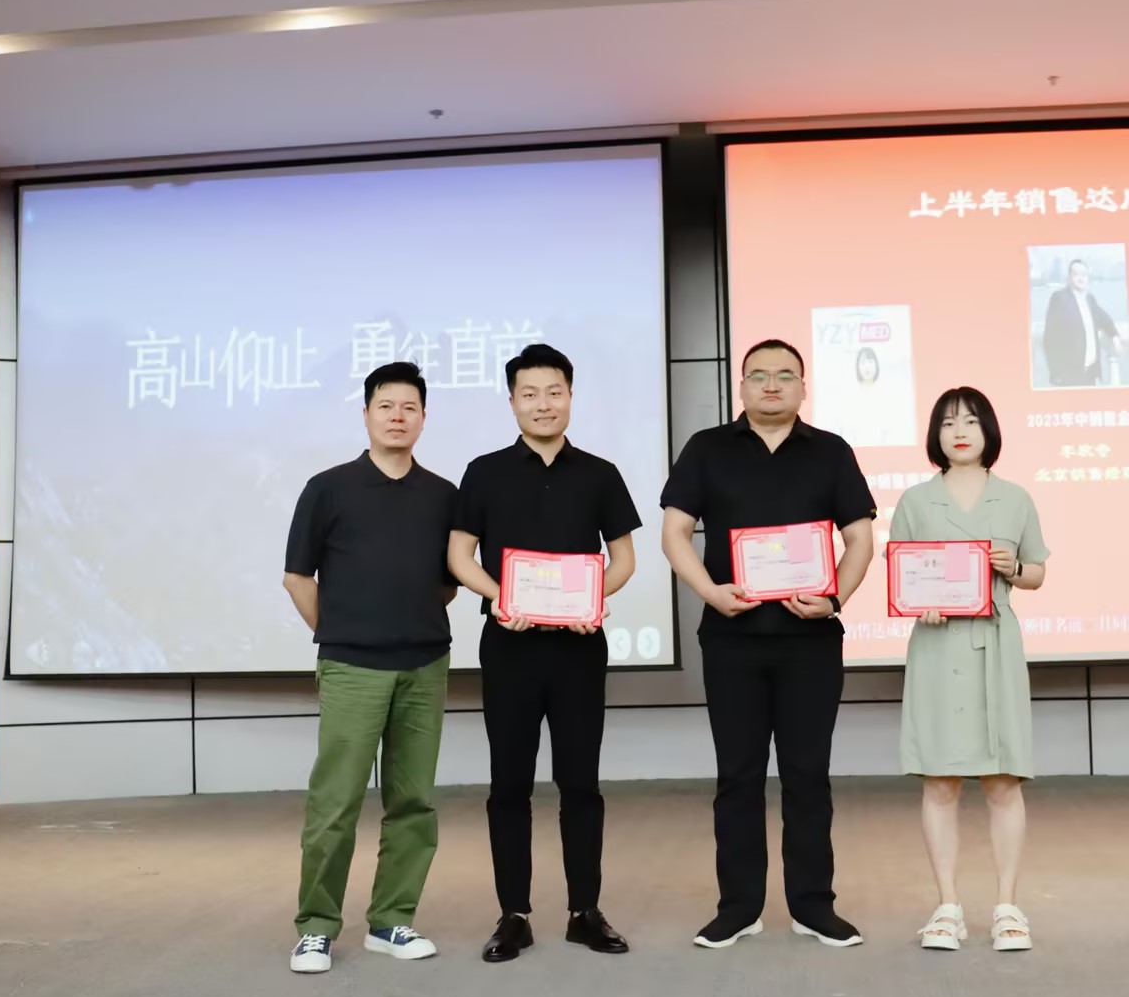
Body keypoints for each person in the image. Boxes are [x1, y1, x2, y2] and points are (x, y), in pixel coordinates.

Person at [660, 338, 877, 950]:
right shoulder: (707, 448)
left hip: (811, 641)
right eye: (759, 375)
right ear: (742, 386)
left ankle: (813, 905)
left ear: (803, 386)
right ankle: (739, 907)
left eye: (785, 375)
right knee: (738, 776)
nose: (772, 385)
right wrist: (710, 591)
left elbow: (861, 539)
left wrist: (835, 598)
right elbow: (674, 532)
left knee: (808, 775)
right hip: (732, 637)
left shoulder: (830, 451)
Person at [447, 342, 640, 963]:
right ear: (512, 402)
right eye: (529, 394)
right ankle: (514, 914)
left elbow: (624, 559)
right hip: (509, 644)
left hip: (579, 648)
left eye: (554, 392)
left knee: (581, 782)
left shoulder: (600, 473)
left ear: (570, 397)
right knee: (509, 784)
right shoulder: (484, 472)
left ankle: (586, 911)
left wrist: (593, 600)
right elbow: (459, 556)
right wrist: (499, 596)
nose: (543, 404)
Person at [282, 361, 458, 974]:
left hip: (425, 665)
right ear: (366, 414)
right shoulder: (328, 488)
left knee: (414, 802)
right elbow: (297, 578)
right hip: (352, 667)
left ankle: (391, 920)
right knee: (336, 803)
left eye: (409, 407)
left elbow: (448, 583)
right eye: (386, 406)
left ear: (424, 418)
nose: (397, 417)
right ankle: (316, 927)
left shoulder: (444, 495)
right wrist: (340, 631)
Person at [890, 386, 1049, 953]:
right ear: (935, 434)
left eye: (972, 421)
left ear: (989, 432)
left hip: (995, 645)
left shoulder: (1015, 498)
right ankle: (947, 907)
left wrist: (1015, 567)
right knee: (940, 780)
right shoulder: (915, 500)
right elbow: (902, 577)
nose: (960, 432)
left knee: (1003, 780)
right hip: (937, 647)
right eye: (949, 422)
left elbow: (1036, 574)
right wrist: (921, 601)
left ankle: (1008, 907)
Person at [1040, 259, 1121, 387]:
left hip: (1090, 373)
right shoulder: (1059, 299)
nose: (1080, 278)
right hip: (1069, 375)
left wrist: (1114, 336)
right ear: (1069, 277)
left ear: (1087, 278)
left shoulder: (1089, 299)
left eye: (1084, 274)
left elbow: (1104, 318)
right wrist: (1056, 373)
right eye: (1076, 274)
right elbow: (1049, 339)